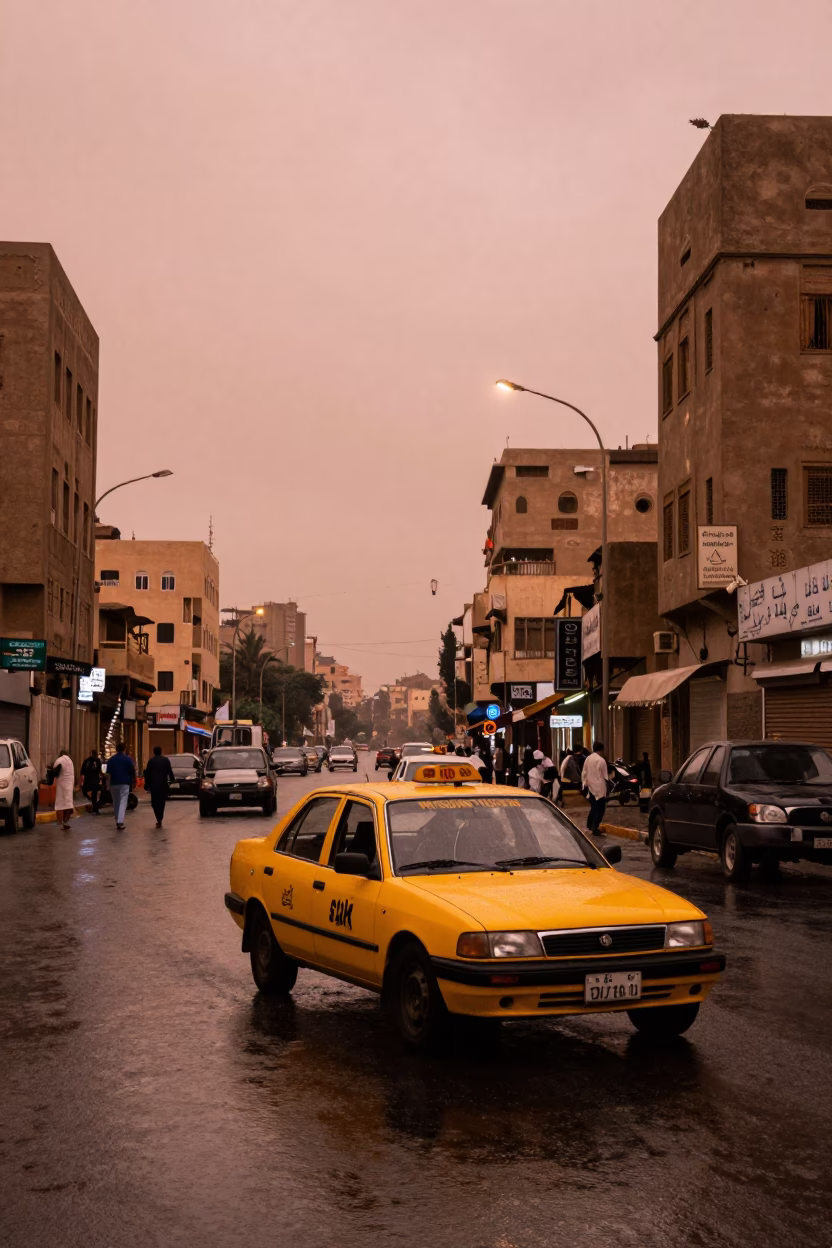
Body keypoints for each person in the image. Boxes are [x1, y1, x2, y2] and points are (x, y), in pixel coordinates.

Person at [582, 741, 610, 835]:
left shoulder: (588, 759)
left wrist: (584, 784)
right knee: (600, 808)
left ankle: (589, 825)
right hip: (599, 787)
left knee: (594, 807)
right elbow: (605, 776)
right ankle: (595, 827)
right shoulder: (601, 760)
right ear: (602, 750)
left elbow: (584, 772)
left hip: (590, 787)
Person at [106, 742, 136, 830]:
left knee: (116, 802)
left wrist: (107, 785)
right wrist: (134, 781)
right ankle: (120, 821)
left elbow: (108, 774)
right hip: (124, 783)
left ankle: (117, 818)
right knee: (123, 802)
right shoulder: (128, 759)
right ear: (124, 749)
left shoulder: (111, 760)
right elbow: (132, 771)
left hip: (114, 783)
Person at [144, 745, 175, 828]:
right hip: (163, 784)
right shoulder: (165, 760)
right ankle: (160, 817)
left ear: (154, 752)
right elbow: (169, 771)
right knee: (161, 801)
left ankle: (158, 817)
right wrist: (172, 779)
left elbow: (147, 774)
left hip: (154, 785)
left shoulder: (151, 761)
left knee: (154, 802)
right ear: (161, 752)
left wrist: (146, 785)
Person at [52, 747, 75, 830]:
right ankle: (66, 822)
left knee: (60, 804)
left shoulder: (60, 760)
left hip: (62, 784)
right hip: (69, 784)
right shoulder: (70, 761)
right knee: (68, 804)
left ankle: (60, 821)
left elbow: (55, 771)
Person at [80, 749, 102, 815]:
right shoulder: (97, 761)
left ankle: (95, 807)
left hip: (89, 780)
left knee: (86, 791)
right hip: (94, 780)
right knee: (94, 794)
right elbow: (98, 770)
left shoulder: (87, 761)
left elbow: (82, 772)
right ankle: (95, 808)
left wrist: (82, 781)